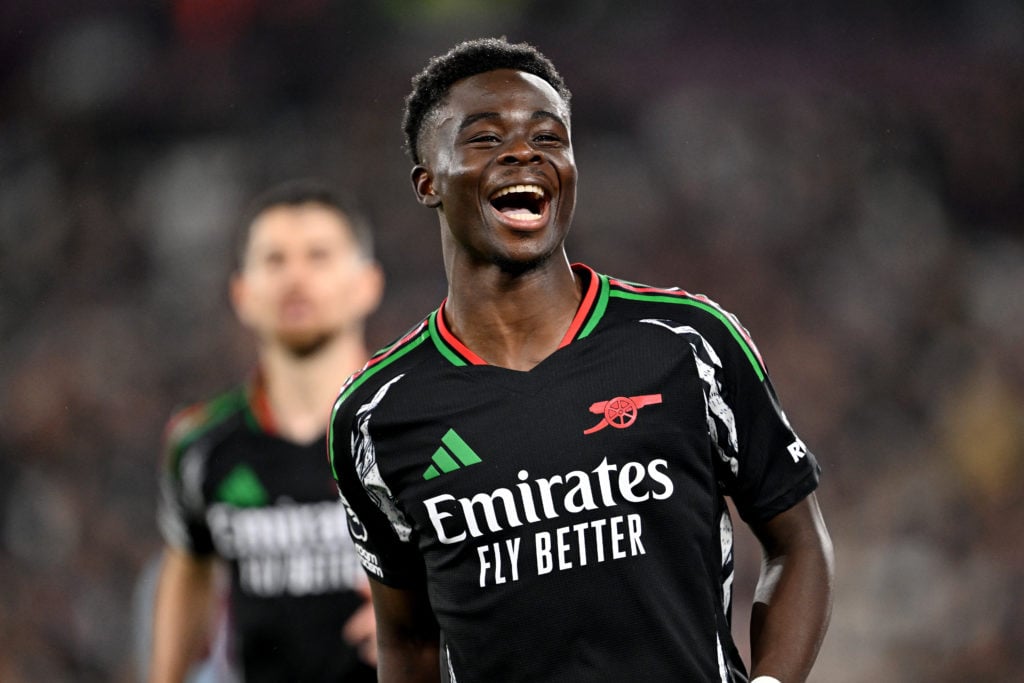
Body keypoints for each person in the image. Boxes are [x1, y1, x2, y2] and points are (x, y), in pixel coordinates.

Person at [328, 37, 834, 683]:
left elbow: (799, 542)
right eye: (484, 138)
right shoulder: (377, 413)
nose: (523, 152)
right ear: (428, 181)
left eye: (549, 136)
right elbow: (407, 640)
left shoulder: (686, 341)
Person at [150, 179, 384, 682]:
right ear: (242, 293)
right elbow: (187, 568)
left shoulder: (416, 432)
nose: (295, 278)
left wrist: (426, 620)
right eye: (274, 260)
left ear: (367, 285)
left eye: (318, 256)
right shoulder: (199, 444)